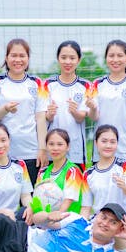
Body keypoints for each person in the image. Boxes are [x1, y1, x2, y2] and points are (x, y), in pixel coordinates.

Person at [0, 38, 49, 185]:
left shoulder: (38, 83)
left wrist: (42, 149)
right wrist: (5, 109)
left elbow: (41, 118)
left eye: (22, 56)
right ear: (6, 58)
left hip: (31, 152)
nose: (18, 59)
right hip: (3, 152)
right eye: (13, 55)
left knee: (30, 201)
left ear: (28, 58)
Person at [89, 40, 126, 164]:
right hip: (101, 151)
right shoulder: (97, 84)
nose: (115, 59)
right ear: (106, 58)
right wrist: (92, 108)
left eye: (120, 56)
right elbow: (93, 117)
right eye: (111, 56)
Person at [45, 41, 95, 170]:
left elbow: (81, 117)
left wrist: (74, 112)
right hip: (52, 152)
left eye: (72, 58)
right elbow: (44, 118)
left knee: (74, 188)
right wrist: (49, 115)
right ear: (58, 59)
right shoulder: (47, 85)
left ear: (78, 60)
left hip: (76, 151)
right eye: (64, 58)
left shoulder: (86, 86)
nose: (68, 62)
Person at [82, 125, 126, 224]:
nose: (108, 146)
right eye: (104, 141)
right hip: (99, 220)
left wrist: (124, 186)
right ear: (96, 143)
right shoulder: (88, 174)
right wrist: (80, 228)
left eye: (113, 142)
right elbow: (86, 207)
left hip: (123, 220)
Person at [34, 128, 87, 216]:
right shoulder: (43, 171)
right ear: (46, 146)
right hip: (45, 220)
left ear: (68, 146)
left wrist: (56, 216)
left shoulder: (73, 171)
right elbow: (37, 196)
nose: (55, 148)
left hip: (67, 220)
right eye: (51, 144)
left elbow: (68, 200)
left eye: (60, 144)